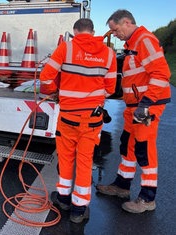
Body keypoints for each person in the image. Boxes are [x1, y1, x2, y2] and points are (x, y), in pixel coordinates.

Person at [40, 18, 117, 223]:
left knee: (65, 159)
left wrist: (55, 91)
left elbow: (46, 79)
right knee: (85, 162)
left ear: (75, 31)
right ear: (92, 31)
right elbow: (110, 88)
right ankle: (79, 209)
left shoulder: (66, 48)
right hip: (92, 120)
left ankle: (63, 198)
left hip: (67, 117)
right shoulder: (109, 54)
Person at [96, 10, 171, 213]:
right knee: (127, 145)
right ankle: (122, 185)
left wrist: (145, 103)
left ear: (127, 22)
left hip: (147, 105)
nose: (114, 34)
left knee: (144, 149)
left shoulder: (144, 40)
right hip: (134, 106)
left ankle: (147, 198)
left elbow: (162, 73)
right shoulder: (132, 44)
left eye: (115, 29)